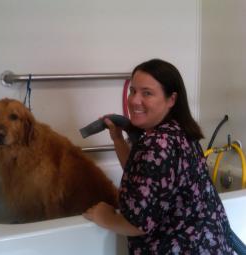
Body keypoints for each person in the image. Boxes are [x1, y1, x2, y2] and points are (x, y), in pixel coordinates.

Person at [83, 59, 233, 254]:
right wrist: (118, 140)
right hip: (212, 243)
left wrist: (104, 217)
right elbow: (144, 179)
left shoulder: (157, 144)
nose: (134, 100)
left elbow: (138, 224)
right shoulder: (180, 131)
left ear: (171, 99)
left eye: (147, 93)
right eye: (133, 91)